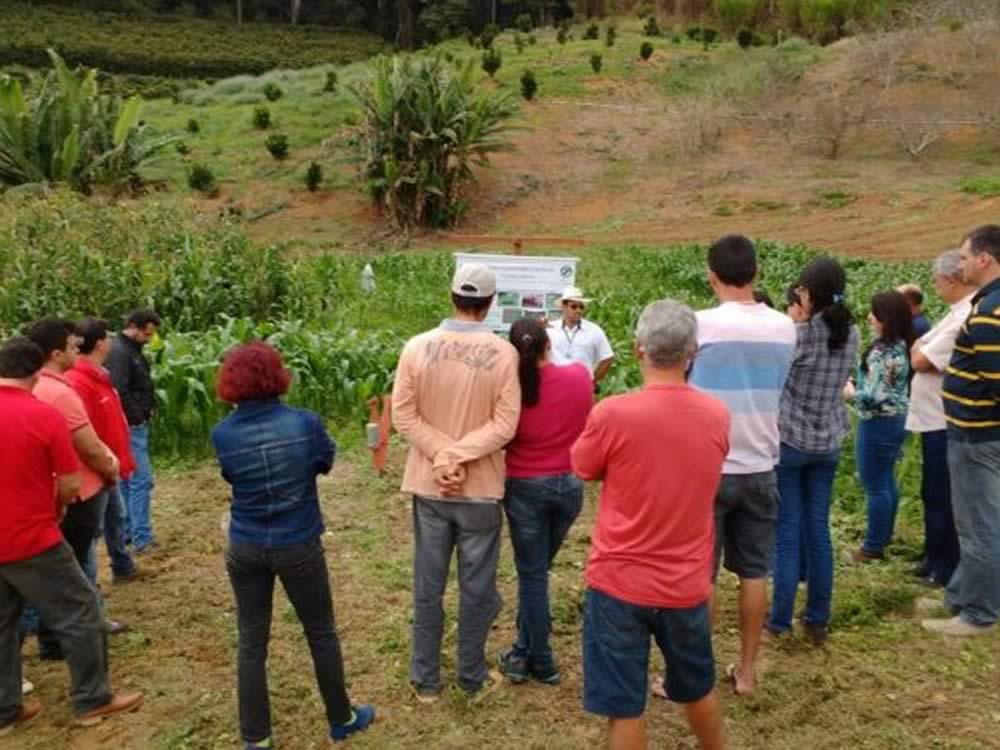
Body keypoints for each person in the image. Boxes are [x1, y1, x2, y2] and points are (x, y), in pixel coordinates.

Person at [572, 300, 728, 750]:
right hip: (685, 583)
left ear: (639, 350)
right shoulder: (716, 415)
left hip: (619, 581)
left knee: (625, 705)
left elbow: (584, 467)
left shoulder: (613, 414)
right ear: (692, 352)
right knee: (697, 686)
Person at [211, 342, 375, 748]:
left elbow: (231, 476)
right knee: (320, 632)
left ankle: (257, 738)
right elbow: (325, 461)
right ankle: (341, 718)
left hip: (245, 544)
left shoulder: (223, 433)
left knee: (251, 640)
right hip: (297, 541)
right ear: (277, 376)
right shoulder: (304, 423)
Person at [0, 337, 143, 737]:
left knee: (3, 623)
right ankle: (92, 699)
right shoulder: (44, 416)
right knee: (81, 610)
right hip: (31, 537)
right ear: (38, 369)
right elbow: (68, 483)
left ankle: (6, 709)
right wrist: (56, 509)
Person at [392, 263, 520, 701]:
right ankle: (471, 674)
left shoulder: (416, 346)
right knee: (477, 586)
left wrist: (442, 457)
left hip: (429, 485)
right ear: (490, 304)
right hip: (480, 488)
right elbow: (506, 425)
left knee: (428, 584)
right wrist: (461, 456)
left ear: (452, 297)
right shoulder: (503, 354)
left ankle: (426, 679)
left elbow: (403, 415)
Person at [685, 235, 795, 696]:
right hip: (761, 462)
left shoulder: (699, 325)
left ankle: (698, 673)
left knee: (701, 574)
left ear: (712, 275)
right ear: (757, 273)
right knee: (754, 573)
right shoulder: (785, 327)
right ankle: (748, 672)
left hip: (709, 464)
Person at [497, 317, 593, 686]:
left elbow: (504, 436)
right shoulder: (579, 377)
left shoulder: (510, 390)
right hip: (569, 485)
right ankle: (523, 648)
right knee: (536, 573)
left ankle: (541, 660)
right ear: (547, 343)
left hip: (524, 486)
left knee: (533, 575)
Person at [769, 258, 859, 644]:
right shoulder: (851, 333)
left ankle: (778, 621)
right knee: (818, 529)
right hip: (828, 442)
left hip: (791, 441)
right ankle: (817, 617)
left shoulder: (798, 335)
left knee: (787, 532)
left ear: (809, 293)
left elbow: (776, 379)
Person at [27, 319, 121, 660]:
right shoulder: (60, 393)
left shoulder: (31, 387)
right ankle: (66, 641)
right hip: (78, 493)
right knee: (74, 570)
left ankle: (48, 638)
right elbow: (90, 448)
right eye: (70, 346)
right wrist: (110, 468)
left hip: (42, 494)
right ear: (55, 353)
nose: (75, 351)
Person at [923, 225, 1000, 637]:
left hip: (978, 434)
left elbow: (995, 378)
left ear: (985, 258)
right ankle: (959, 593)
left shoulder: (989, 311)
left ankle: (979, 613)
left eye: (966, 256)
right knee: (975, 521)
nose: (962, 263)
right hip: (975, 433)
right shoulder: (988, 303)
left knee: (979, 526)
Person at [907, 251, 976, 587]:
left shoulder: (966, 315)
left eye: (936, 281)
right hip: (932, 418)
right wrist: (920, 348)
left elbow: (921, 359)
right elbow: (920, 348)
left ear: (951, 280)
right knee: (930, 491)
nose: (934, 287)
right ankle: (932, 555)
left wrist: (919, 348)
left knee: (941, 495)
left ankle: (945, 565)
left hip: (943, 419)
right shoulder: (953, 314)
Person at [66, 318, 139, 592]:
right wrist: (103, 462)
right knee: (92, 532)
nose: (112, 341)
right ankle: (90, 592)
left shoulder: (99, 375)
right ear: (99, 343)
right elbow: (83, 432)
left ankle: (122, 564)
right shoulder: (79, 381)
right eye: (108, 337)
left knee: (115, 516)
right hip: (96, 466)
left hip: (108, 462)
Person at [850, 292, 914, 562]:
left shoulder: (882, 352)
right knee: (886, 480)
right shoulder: (900, 345)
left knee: (874, 483)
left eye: (874, 313)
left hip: (878, 421)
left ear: (885, 318)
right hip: (897, 418)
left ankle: (873, 547)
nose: (869, 317)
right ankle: (882, 537)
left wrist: (849, 391)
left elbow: (872, 395)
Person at [106, 308, 160, 555]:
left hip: (132, 423)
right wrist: (136, 416)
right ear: (135, 327)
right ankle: (142, 537)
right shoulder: (120, 352)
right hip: (131, 426)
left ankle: (128, 532)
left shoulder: (129, 350)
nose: (149, 338)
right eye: (147, 333)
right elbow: (119, 388)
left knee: (128, 480)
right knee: (141, 479)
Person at [547, 285, 615, 385]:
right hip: (555, 384)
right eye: (574, 307)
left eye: (581, 307)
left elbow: (607, 358)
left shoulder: (594, 330)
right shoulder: (550, 329)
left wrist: (593, 381)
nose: (578, 310)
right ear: (563, 307)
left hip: (582, 385)